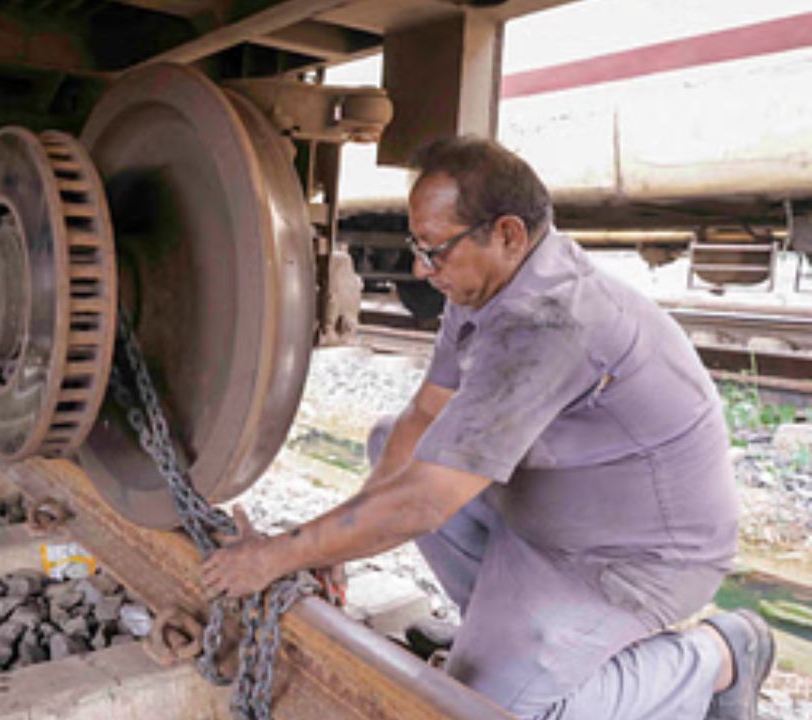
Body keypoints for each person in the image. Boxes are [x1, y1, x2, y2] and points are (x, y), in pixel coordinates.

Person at [202, 137, 774, 720]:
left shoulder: (549, 323)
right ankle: (509, 638)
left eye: (436, 250)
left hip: (634, 560)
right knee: (390, 442)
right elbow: (425, 414)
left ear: (507, 234)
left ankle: (717, 654)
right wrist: (332, 542)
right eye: (418, 248)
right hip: (557, 518)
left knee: (501, 711)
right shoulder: (487, 287)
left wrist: (281, 555)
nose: (424, 270)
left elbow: (424, 503)